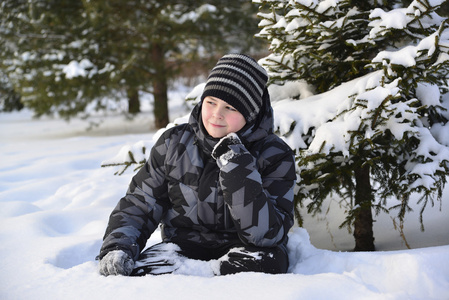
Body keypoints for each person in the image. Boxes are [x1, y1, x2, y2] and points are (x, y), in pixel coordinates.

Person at [98, 54, 296, 276]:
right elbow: (141, 202)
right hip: (182, 247)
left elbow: (266, 234)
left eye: (230, 107)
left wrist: (238, 169)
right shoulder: (174, 143)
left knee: (269, 264)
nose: (216, 114)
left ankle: (205, 277)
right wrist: (118, 246)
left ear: (250, 114)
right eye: (211, 102)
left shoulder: (275, 155)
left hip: (246, 249)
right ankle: (189, 275)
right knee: (142, 270)